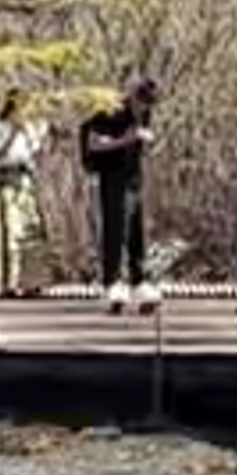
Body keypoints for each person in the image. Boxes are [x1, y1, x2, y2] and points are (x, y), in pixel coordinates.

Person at [78, 74, 158, 305]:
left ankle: (138, 279)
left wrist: (143, 139)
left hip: (133, 173)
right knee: (115, 226)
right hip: (112, 174)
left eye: (148, 102)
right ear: (132, 95)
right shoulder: (111, 111)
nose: (144, 106)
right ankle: (111, 281)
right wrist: (124, 140)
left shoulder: (144, 113)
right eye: (141, 100)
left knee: (136, 226)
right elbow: (93, 142)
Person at [0, 102, 49, 298]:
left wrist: (28, 132)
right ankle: (6, 282)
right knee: (7, 231)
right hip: (5, 179)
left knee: (30, 230)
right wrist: (12, 133)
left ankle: (30, 282)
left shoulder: (30, 126)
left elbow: (34, 149)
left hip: (24, 180)